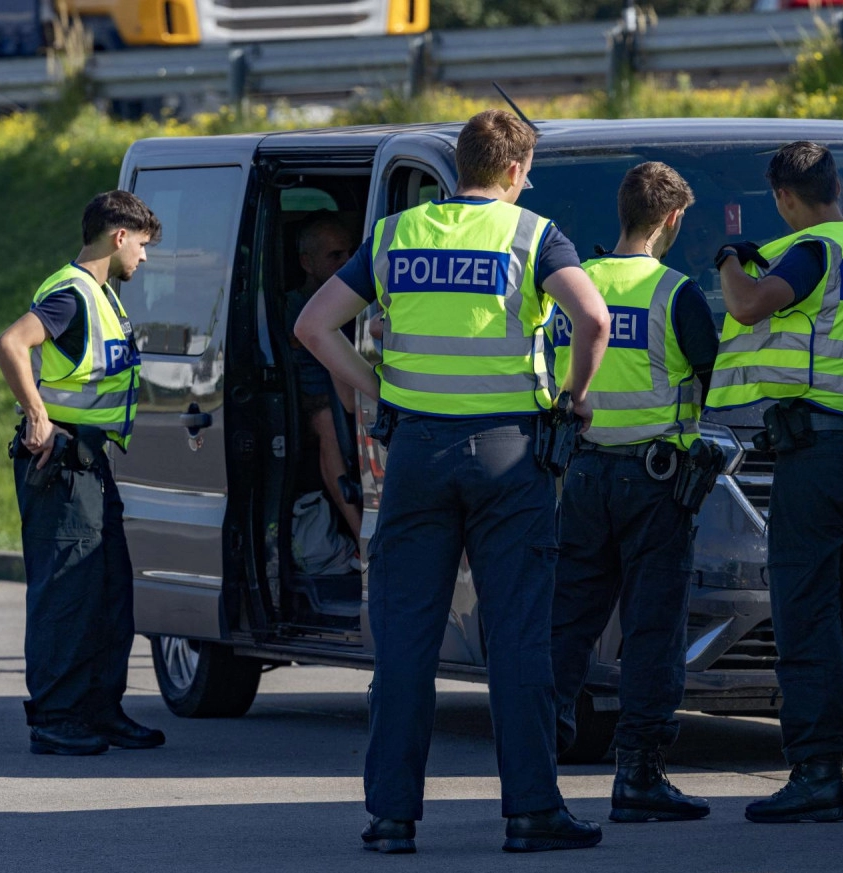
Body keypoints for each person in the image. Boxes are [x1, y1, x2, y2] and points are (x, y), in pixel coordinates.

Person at [296, 109, 612, 854]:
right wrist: (576, 397)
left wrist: (372, 387)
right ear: (510, 171)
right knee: (519, 638)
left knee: (405, 640)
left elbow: (314, 326)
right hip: (511, 454)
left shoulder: (398, 236)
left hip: (417, 451)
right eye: (526, 172)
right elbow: (592, 318)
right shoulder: (532, 234)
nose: (527, 182)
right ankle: (532, 810)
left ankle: (392, 817)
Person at [708, 141, 843, 822]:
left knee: (806, 616)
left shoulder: (815, 248)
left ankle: (819, 772)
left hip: (815, 462)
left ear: (785, 197)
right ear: (839, 188)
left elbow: (747, 307)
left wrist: (730, 262)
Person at [548, 162, 717, 822]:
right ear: (673, 219)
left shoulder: (575, 284)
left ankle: (535, 766)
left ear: (622, 211)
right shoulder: (676, 293)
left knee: (565, 627)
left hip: (582, 477)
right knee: (651, 630)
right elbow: (716, 380)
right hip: (654, 484)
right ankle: (640, 775)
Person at [0, 191, 166, 756]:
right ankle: (58, 716)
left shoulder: (101, 296)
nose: (144, 257)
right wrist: (36, 414)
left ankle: (100, 708)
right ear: (119, 237)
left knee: (110, 591)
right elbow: (12, 343)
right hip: (62, 469)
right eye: (142, 245)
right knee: (67, 595)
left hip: (91, 465)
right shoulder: (72, 293)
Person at [284, 212, 362, 544]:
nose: (346, 262)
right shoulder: (293, 305)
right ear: (306, 262)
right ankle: (361, 533)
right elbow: (306, 339)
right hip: (310, 394)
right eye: (334, 256)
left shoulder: (356, 300)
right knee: (330, 425)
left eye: (349, 254)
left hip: (348, 385)